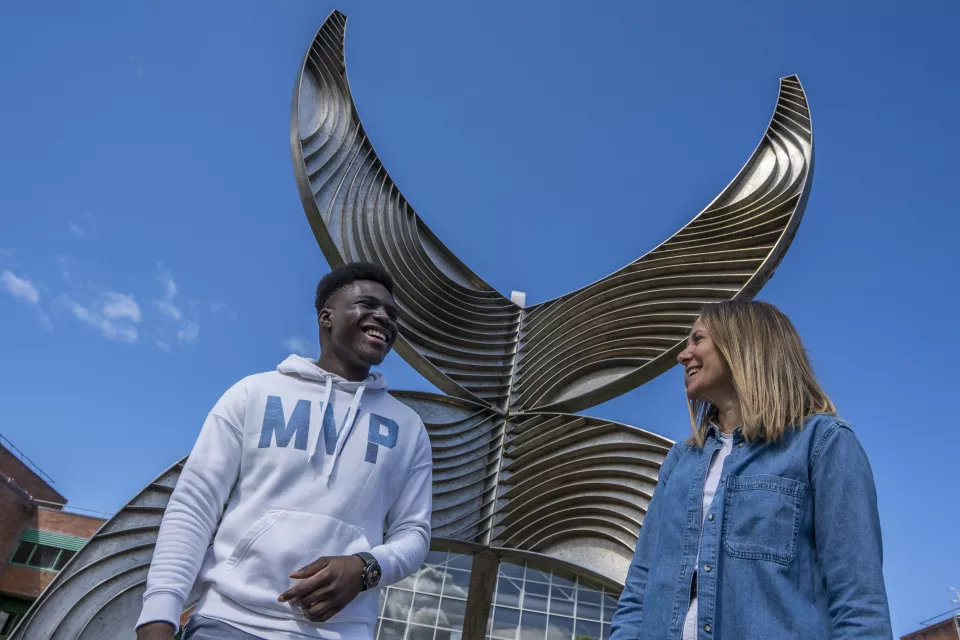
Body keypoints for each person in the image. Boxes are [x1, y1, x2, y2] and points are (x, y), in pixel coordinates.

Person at [136, 263, 433, 640]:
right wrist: (158, 615)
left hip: (341, 632)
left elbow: (415, 533)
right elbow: (195, 505)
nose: (383, 318)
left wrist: (365, 568)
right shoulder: (253, 393)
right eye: (367, 305)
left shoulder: (408, 428)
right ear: (327, 317)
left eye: (392, 314)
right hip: (228, 623)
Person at [610, 299, 892, 639]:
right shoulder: (680, 460)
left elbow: (859, 603)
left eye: (697, 340)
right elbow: (638, 589)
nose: (683, 355)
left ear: (740, 343)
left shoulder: (823, 444)